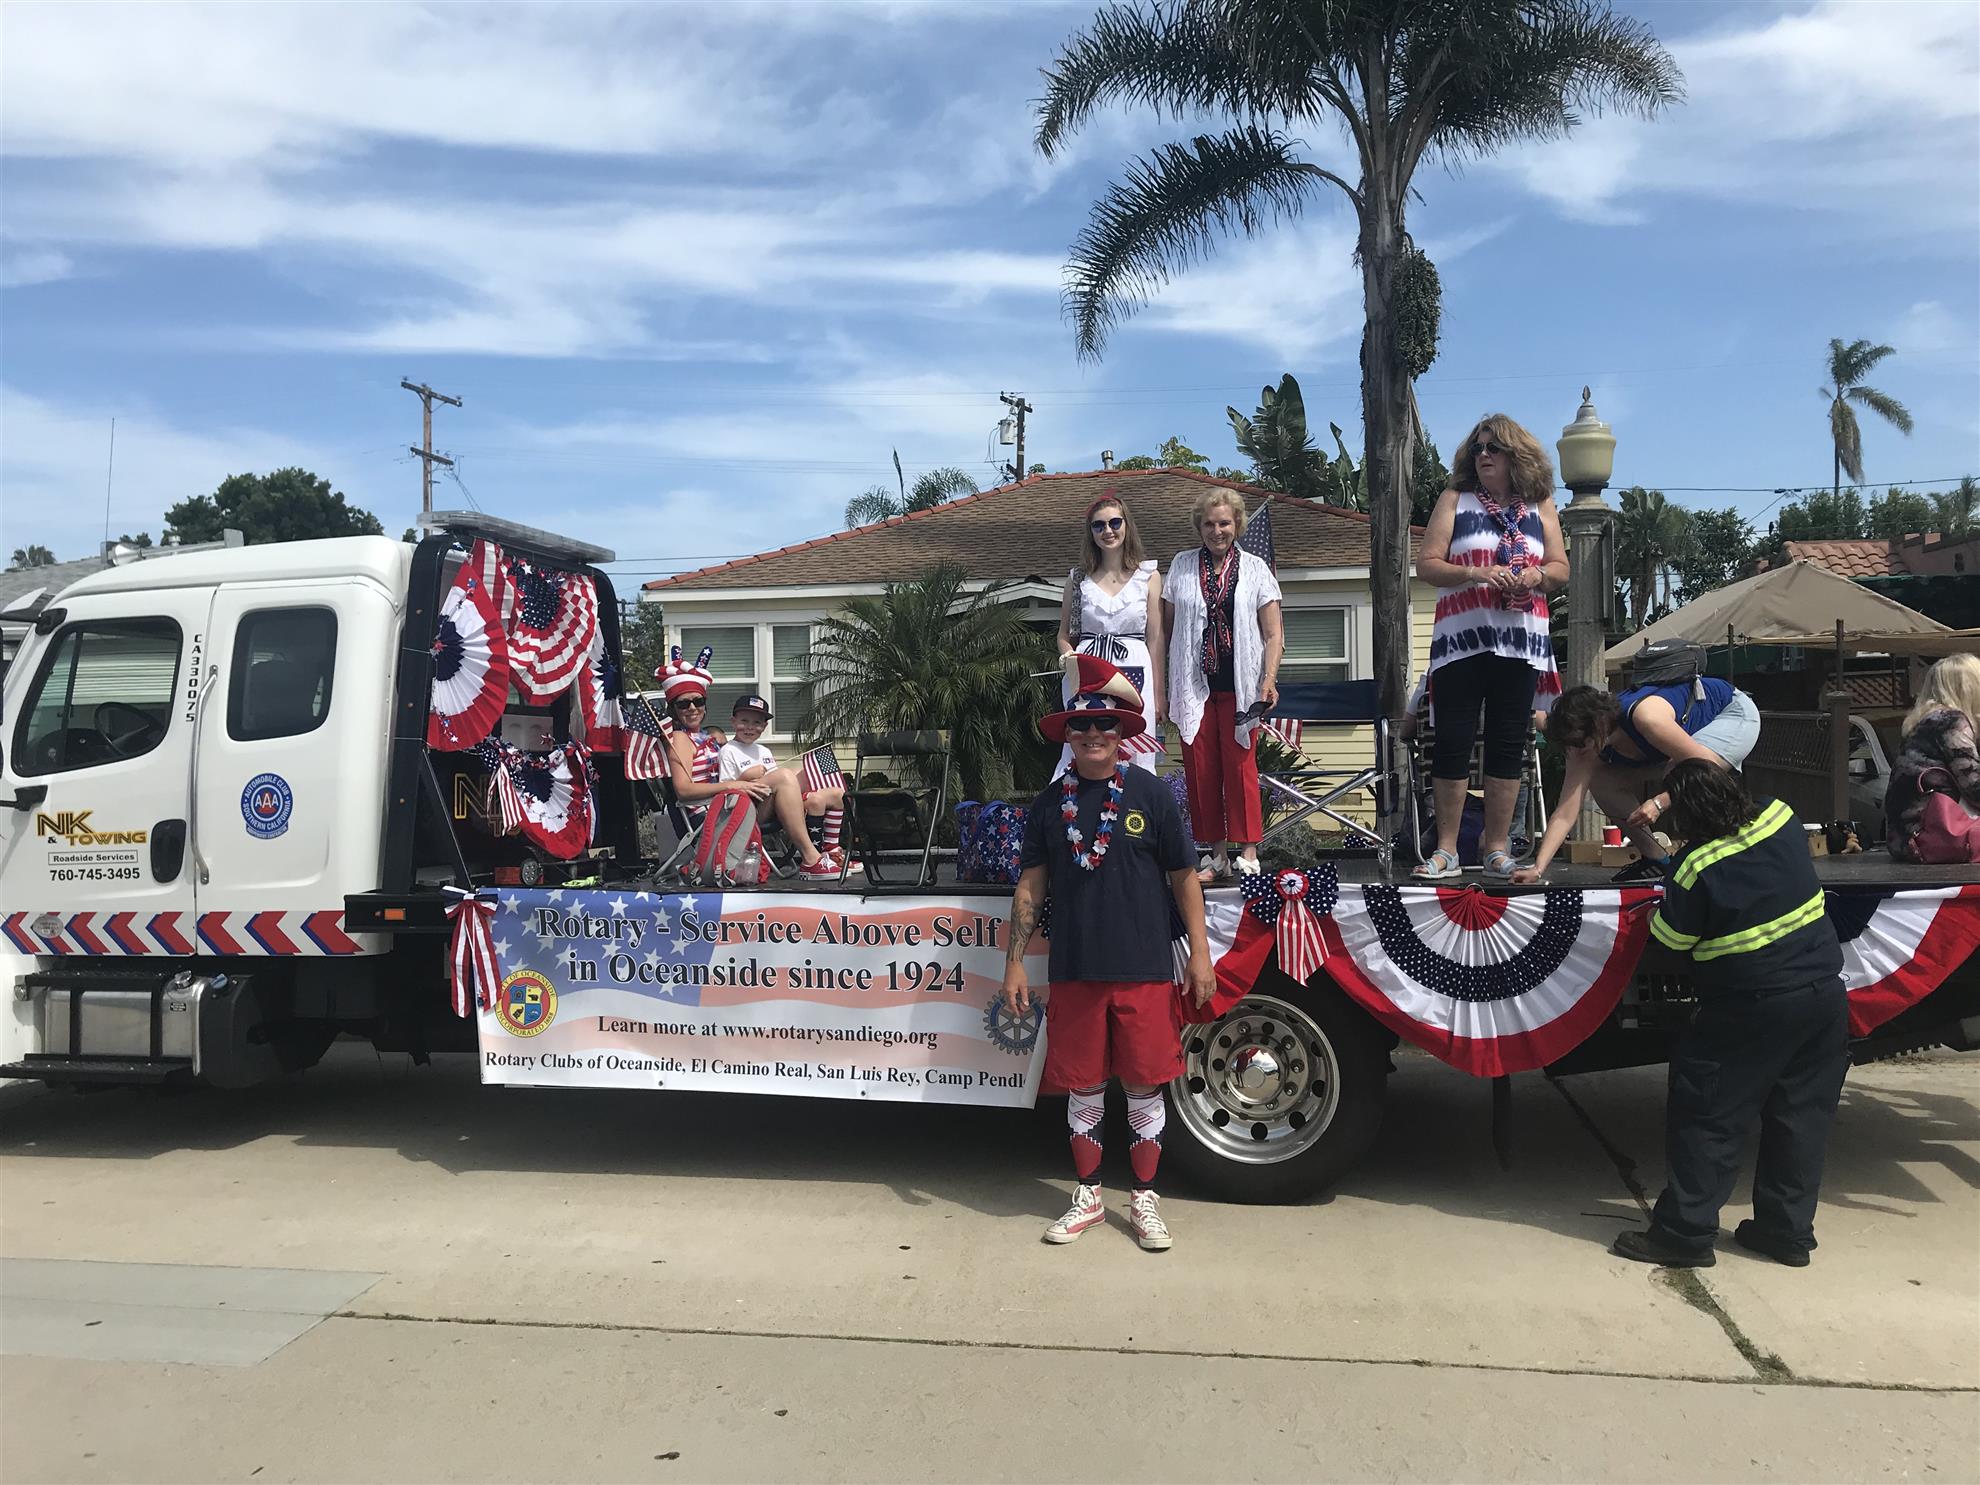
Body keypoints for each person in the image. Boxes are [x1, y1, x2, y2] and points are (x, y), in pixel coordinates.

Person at [1002, 656, 1216, 1252]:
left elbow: (1185, 879)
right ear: (1068, 737)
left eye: (1104, 727)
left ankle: (1144, 1198)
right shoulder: (1049, 805)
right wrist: (1014, 960)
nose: (1093, 736)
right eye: (1080, 728)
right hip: (1074, 967)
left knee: (1146, 1086)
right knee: (1083, 1085)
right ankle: (1089, 1194)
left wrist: (1200, 955)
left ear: (1122, 734)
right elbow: (1031, 887)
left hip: (1145, 966)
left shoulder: (1152, 792)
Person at [1612, 760, 1848, 1269]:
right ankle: (1784, 1234)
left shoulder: (1696, 865)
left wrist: (1658, 909)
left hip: (1750, 1007)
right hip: (1824, 997)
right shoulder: (1780, 815)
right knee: (1801, 1118)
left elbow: (1673, 940)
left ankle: (1683, 1235)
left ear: (1687, 813)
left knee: (1710, 1118)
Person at [1414, 414, 1567, 881]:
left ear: (1515, 456)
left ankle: (1497, 848)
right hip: (1463, 639)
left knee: (1508, 743)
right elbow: (1427, 564)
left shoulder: (1540, 505)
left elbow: (1561, 567)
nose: (1483, 456)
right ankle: (1446, 850)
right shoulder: (1454, 500)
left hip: (1520, 641)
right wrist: (1474, 573)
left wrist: (1538, 575)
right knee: (1453, 741)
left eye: (1493, 449)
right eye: (1478, 448)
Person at [1514, 674, 1762, 885]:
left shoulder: (1646, 717)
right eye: (1570, 744)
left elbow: (1705, 769)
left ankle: (1731, 853)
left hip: (1731, 714)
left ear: (1598, 726)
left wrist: (1660, 803)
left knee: (1684, 777)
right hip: (1681, 745)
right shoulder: (1584, 746)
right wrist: (1537, 868)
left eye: (1579, 742)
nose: (1577, 750)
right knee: (1601, 780)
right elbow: (1565, 812)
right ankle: (1657, 860)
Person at [1163, 490, 1283, 881]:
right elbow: (1164, 632)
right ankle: (1215, 855)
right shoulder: (1181, 567)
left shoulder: (1255, 568)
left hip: (1241, 686)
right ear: (1199, 526)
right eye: (1210, 523)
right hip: (1193, 686)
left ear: (1237, 525)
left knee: (1240, 768)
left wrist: (1268, 680)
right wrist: (1162, 689)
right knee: (1201, 770)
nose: (1217, 530)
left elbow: (1273, 634)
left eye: (1225, 523)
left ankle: (1248, 852)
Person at [1056, 492, 1165, 775]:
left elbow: (1155, 639)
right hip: (1087, 671)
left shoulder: (1148, 576)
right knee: (1086, 742)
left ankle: (1134, 812)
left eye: (1115, 523)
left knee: (1134, 744)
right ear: (1090, 532)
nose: (1108, 531)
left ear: (1127, 525)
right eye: (1099, 525)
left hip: (1135, 670)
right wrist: (1069, 657)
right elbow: (1064, 634)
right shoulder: (1077, 579)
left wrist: (1159, 694)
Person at [717, 694, 853, 879]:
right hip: (747, 811)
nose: (750, 727)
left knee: (835, 793)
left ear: (764, 727)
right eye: (744, 721)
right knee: (784, 775)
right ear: (733, 722)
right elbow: (726, 792)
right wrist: (746, 777)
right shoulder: (728, 751)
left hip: (772, 802)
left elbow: (776, 783)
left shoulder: (763, 751)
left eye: (757, 722)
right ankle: (810, 859)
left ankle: (830, 852)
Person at [1885, 652, 1980, 865]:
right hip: (1934, 837)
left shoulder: (1922, 722)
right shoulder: (1951, 722)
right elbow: (1975, 788)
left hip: (1905, 839)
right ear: (1970, 687)